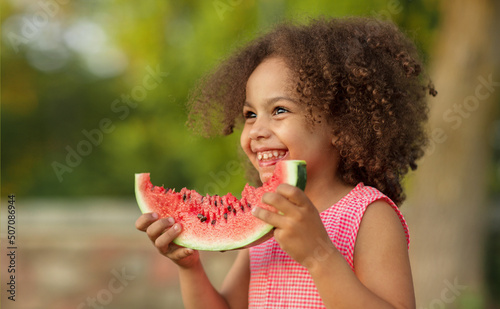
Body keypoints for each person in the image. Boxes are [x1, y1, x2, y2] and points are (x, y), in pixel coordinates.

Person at [135, 16, 436, 308]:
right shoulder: (266, 214)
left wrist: (318, 255)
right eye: (250, 115)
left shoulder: (369, 214)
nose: (257, 131)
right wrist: (190, 267)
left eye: (279, 110)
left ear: (340, 125)